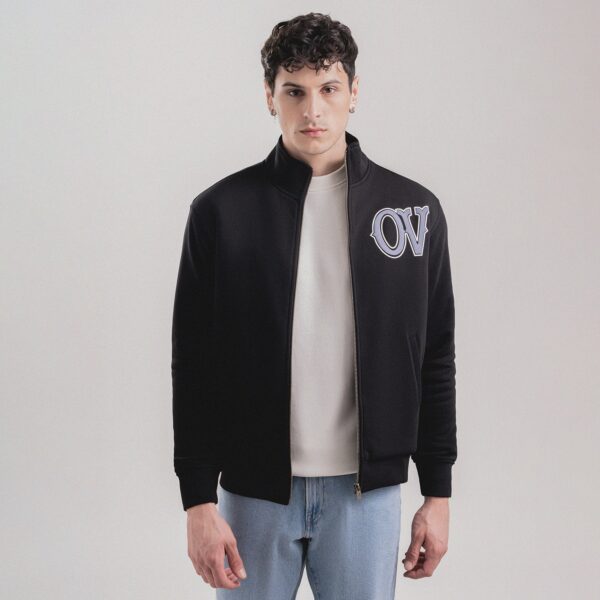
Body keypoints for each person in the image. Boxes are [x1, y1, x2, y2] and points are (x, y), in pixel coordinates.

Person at [171, 12, 457, 599]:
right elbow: (192, 364)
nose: (313, 111)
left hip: (366, 494)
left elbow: (435, 357)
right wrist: (198, 500)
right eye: (294, 92)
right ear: (269, 96)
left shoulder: (412, 211)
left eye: (328, 89)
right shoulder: (220, 212)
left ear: (354, 92)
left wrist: (438, 492)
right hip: (253, 494)